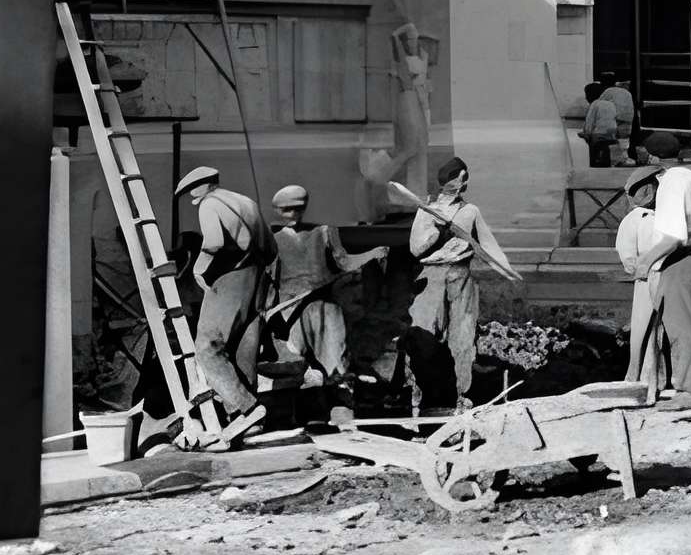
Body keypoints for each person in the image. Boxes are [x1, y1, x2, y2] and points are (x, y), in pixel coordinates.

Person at [405, 156, 524, 412]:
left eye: (464, 177)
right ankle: (419, 394)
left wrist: (506, 269)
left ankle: (461, 394)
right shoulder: (425, 211)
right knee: (424, 337)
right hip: (431, 277)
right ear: (445, 180)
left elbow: (487, 245)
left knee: (462, 337)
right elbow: (416, 249)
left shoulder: (470, 211)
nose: (462, 181)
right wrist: (439, 232)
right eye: (457, 176)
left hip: (461, 276)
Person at [265, 185, 387, 428]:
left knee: (335, 357)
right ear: (278, 211)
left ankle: (342, 408)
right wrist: (266, 314)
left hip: (323, 305)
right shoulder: (272, 240)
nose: (293, 214)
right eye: (286, 210)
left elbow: (343, 262)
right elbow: (268, 279)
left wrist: (372, 253)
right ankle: (299, 414)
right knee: (295, 364)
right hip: (289, 312)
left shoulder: (324, 232)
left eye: (297, 209)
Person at [176, 165, 273, 448]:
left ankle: (249, 408)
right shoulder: (247, 202)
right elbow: (272, 248)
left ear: (206, 185)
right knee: (243, 347)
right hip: (256, 277)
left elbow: (215, 241)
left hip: (228, 277)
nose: (192, 193)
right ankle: (246, 422)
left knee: (207, 348)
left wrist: (198, 267)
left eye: (194, 187)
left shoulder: (210, 204)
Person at [629, 131, 691, 410]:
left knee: (682, 329)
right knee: (683, 325)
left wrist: (645, 262)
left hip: (681, 259)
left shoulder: (671, 184)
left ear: (651, 157)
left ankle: (689, 392)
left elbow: (672, 237)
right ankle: (684, 385)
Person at [598, 69, 637, 166]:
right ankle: (625, 158)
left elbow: (599, 105)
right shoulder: (626, 92)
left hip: (616, 119)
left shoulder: (607, 92)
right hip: (628, 119)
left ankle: (614, 160)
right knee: (624, 140)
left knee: (612, 140)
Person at [579, 81, 619, 169]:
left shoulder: (595, 104)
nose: (586, 97)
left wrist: (585, 134)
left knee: (591, 148)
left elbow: (590, 122)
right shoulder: (611, 103)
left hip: (599, 135)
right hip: (612, 134)